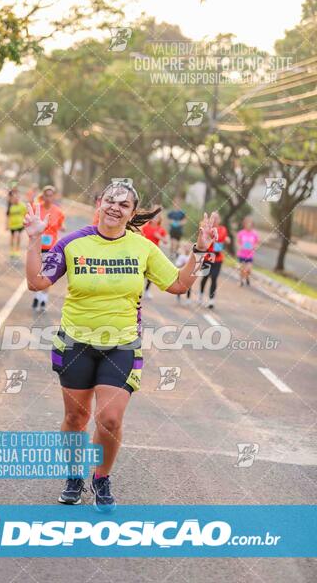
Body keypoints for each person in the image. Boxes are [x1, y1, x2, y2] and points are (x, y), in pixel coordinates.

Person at [24, 179, 217, 510]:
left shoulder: (143, 248)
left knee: (110, 419)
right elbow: (36, 282)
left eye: (123, 204)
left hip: (121, 345)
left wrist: (200, 250)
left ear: (131, 213)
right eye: (110, 200)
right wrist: (32, 240)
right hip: (75, 343)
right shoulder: (73, 243)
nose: (115, 206)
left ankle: (101, 478)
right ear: (99, 204)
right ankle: (74, 476)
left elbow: (180, 284)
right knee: (76, 418)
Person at [31, 185, 65, 311]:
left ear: (54, 197)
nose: (49, 197)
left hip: (51, 247)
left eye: (51, 195)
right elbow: (29, 222)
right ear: (43, 196)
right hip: (37, 246)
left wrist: (62, 227)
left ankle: (43, 300)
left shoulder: (58, 211)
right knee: (37, 273)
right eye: (47, 195)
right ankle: (37, 296)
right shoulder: (36, 208)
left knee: (47, 274)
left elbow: (61, 224)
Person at [198, 212, 230, 309]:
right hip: (207, 257)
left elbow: (220, 238)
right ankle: (201, 295)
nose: (215, 220)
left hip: (218, 258)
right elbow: (206, 238)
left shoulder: (223, 229)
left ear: (219, 220)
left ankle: (211, 300)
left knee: (214, 278)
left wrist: (227, 240)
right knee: (205, 277)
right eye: (213, 218)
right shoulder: (207, 229)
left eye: (217, 218)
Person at [142, 209, 168, 299]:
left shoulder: (161, 229)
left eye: (157, 217)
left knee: (151, 273)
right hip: (143, 252)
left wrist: (159, 237)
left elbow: (165, 241)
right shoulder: (145, 227)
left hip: (153, 254)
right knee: (141, 271)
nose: (155, 219)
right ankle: (138, 290)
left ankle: (147, 290)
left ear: (159, 219)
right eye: (153, 217)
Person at [237, 216, 260, 286]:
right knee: (242, 269)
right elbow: (238, 242)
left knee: (248, 269)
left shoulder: (255, 234)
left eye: (250, 224)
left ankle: (247, 277)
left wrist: (255, 247)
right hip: (242, 254)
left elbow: (257, 243)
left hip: (250, 255)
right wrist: (239, 247)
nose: (249, 225)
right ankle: (241, 281)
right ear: (244, 224)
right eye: (247, 224)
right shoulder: (241, 233)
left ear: (252, 225)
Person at [6, 188, 26, 258]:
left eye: (17, 197)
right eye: (14, 197)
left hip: (20, 225)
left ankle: (17, 250)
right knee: (12, 238)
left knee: (18, 237)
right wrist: (6, 225)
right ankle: (12, 250)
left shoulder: (22, 206)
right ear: (12, 198)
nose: (16, 199)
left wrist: (26, 222)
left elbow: (26, 214)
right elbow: (8, 216)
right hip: (12, 225)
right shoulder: (11, 206)